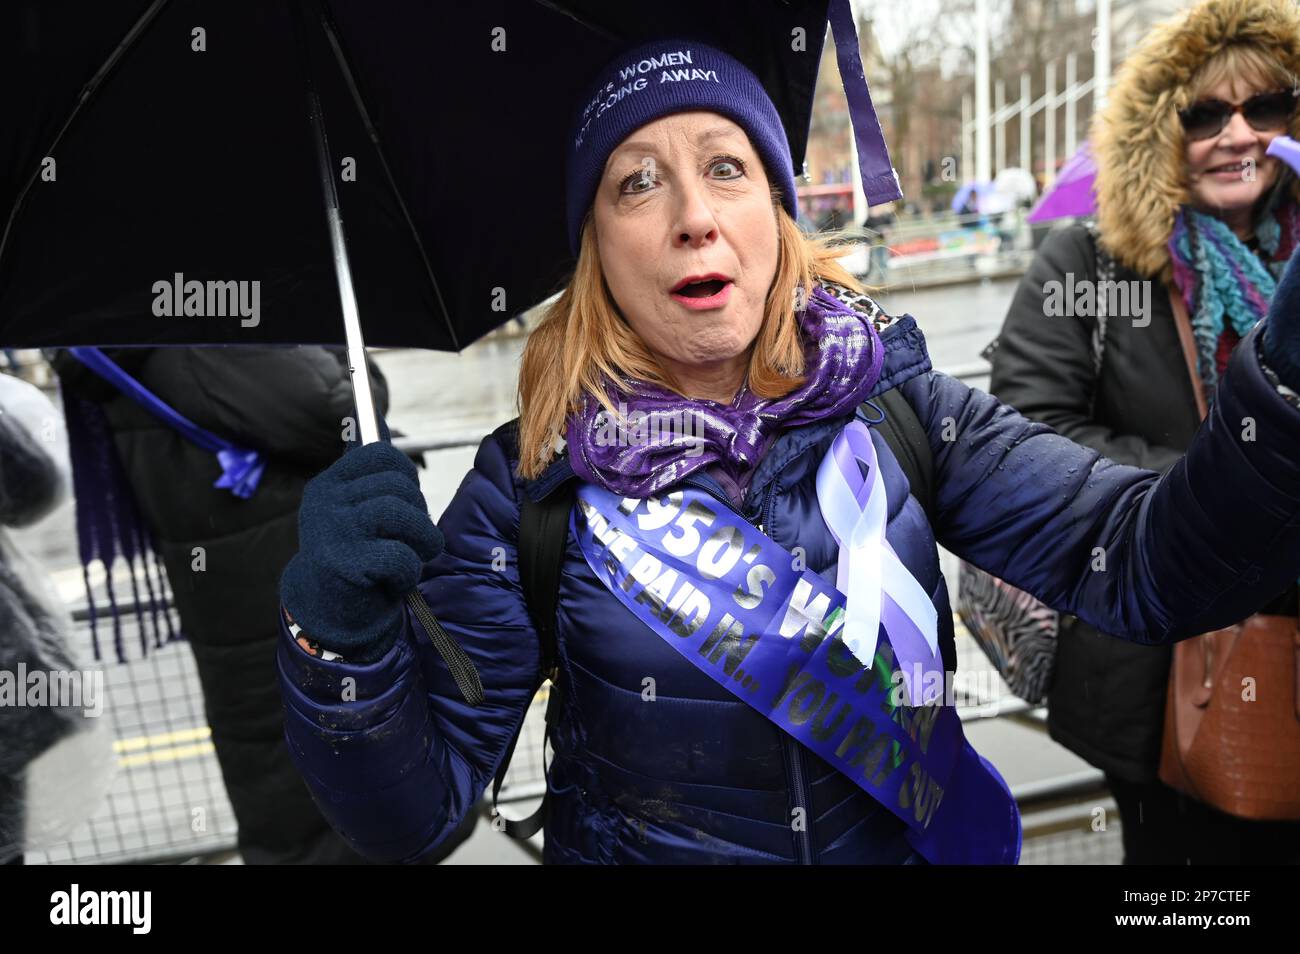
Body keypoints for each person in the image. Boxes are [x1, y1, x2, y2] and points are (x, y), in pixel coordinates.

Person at [277, 39, 1300, 865]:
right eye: (636, 185)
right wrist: (342, 652)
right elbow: (414, 818)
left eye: (727, 169)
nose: (692, 218)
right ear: (594, 250)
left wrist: (1281, 390)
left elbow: (1144, 562)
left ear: (775, 215)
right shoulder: (530, 485)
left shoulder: (900, 406)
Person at [989, 0, 1300, 864]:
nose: (1240, 136)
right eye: (1206, 114)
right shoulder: (1085, 265)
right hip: (1160, 659)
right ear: (1159, 134)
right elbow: (1029, 437)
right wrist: (1226, 496)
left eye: (1267, 107)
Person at [54, 347, 472, 864]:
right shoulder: (195, 343)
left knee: (279, 773)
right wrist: (346, 348)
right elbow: (340, 405)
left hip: (232, 604)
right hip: (295, 595)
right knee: (345, 771)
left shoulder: (119, 346)